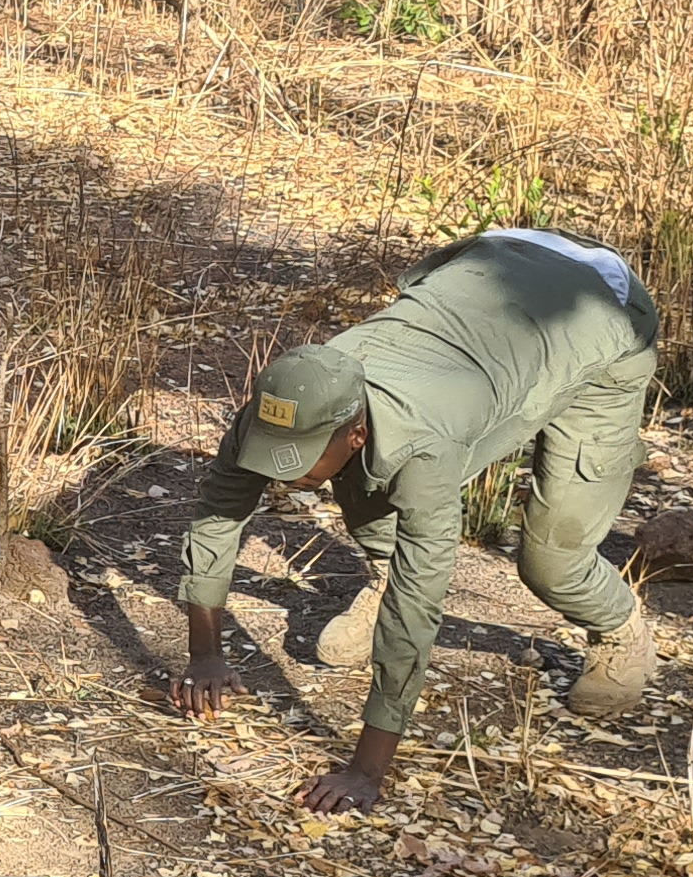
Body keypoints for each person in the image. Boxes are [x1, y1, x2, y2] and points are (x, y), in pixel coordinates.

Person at [170, 226, 663, 812]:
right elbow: (219, 513)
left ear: (354, 430)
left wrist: (366, 770)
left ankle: (620, 629)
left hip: (599, 317)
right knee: (367, 479)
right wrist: (205, 652)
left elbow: (417, 607)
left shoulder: (423, 446)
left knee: (551, 558)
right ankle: (380, 565)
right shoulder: (286, 400)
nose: (284, 475)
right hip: (494, 264)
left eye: (299, 462)